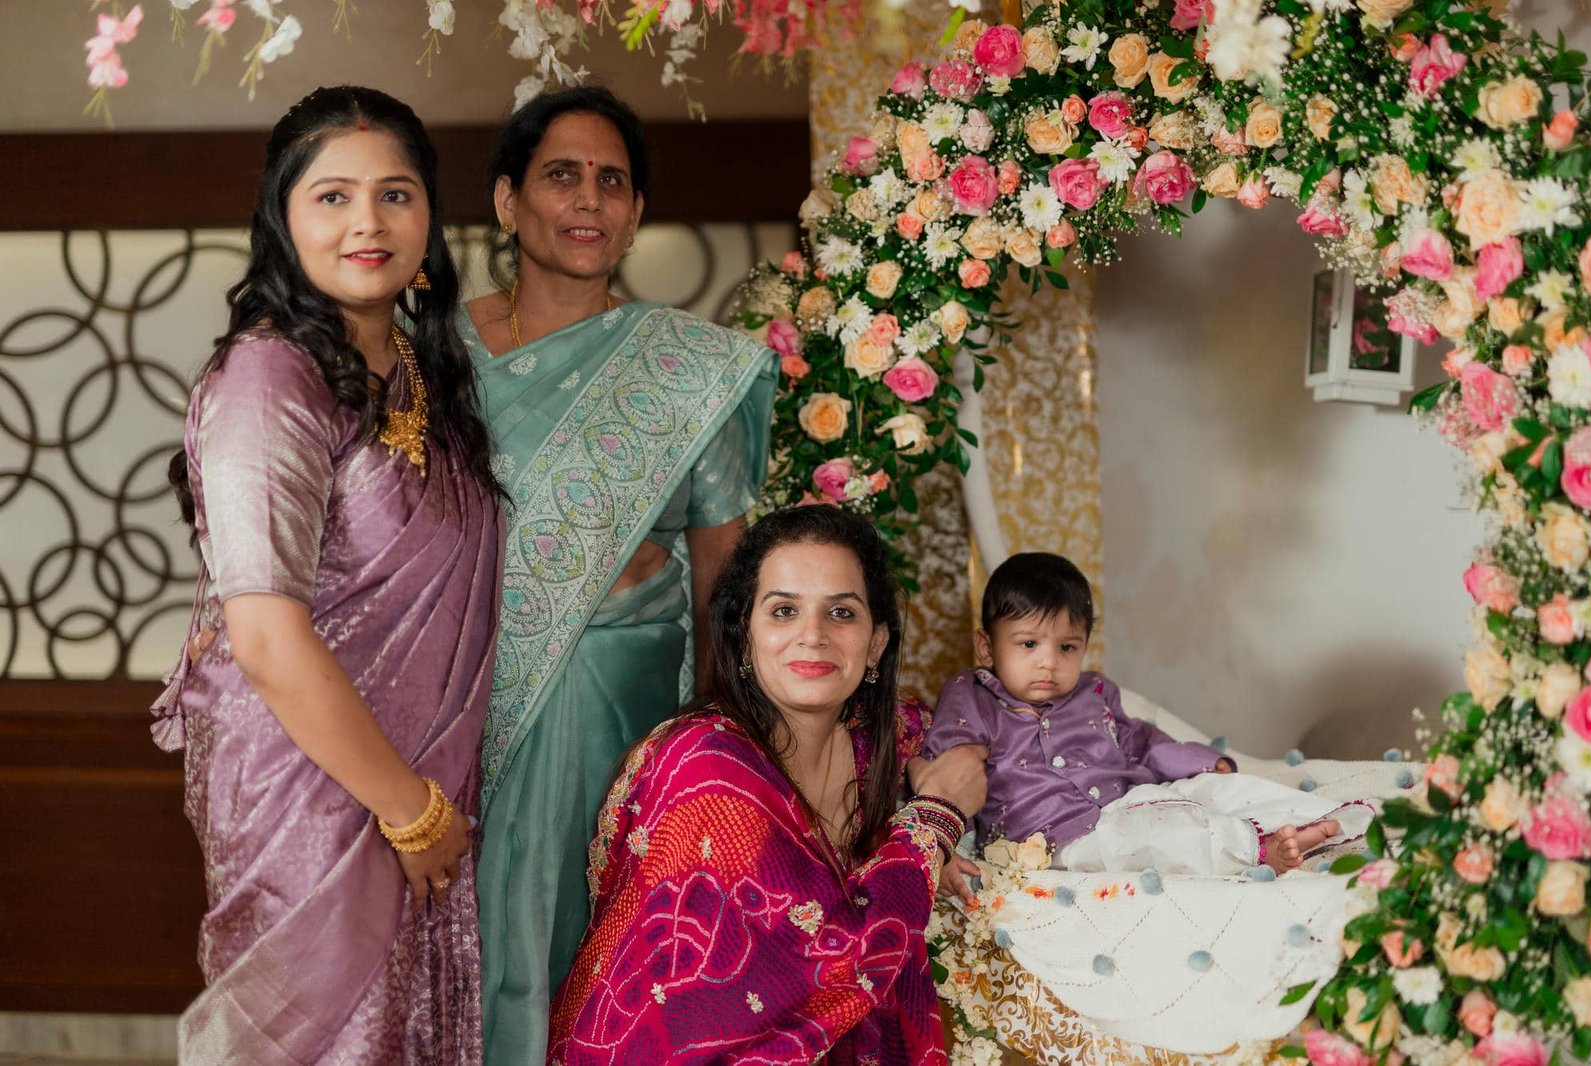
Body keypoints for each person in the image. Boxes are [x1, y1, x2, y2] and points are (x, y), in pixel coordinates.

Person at [149, 86, 503, 1063]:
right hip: (322, 797)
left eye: (396, 194)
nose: (368, 222)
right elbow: (264, 636)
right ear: (283, 218)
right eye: (333, 196)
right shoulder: (272, 377)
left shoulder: (422, 370)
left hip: (418, 789)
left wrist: (425, 803)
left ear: (430, 218)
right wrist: (408, 806)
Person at [463, 86, 780, 1063]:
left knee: (615, 974)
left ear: (637, 212)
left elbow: (724, 585)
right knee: (471, 969)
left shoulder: (688, 372)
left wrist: (722, 772)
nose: (588, 198)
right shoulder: (433, 357)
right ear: (508, 200)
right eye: (562, 174)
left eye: (612, 180)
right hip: (464, 719)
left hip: (630, 719)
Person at [546, 504, 988, 1064]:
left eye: (842, 614)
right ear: (745, 634)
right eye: (783, 611)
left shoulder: (882, 740)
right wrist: (932, 824)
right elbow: (833, 954)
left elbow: (987, 750)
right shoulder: (704, 771)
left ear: (875, 644)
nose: (812, 635)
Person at [922, 553, 1371, 876]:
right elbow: (947, 761)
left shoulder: (1093, 692)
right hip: (1051, 838)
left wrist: (1199, 763)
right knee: (1164, 836)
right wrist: (939, 837)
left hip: (1122, 801)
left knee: (1215, 790)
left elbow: (1137, 739)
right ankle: (1261, 850)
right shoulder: (973, 695)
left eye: (1066, 647)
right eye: (1028, 645)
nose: (1048, 662)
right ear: (986, 647)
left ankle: (1330, 819)